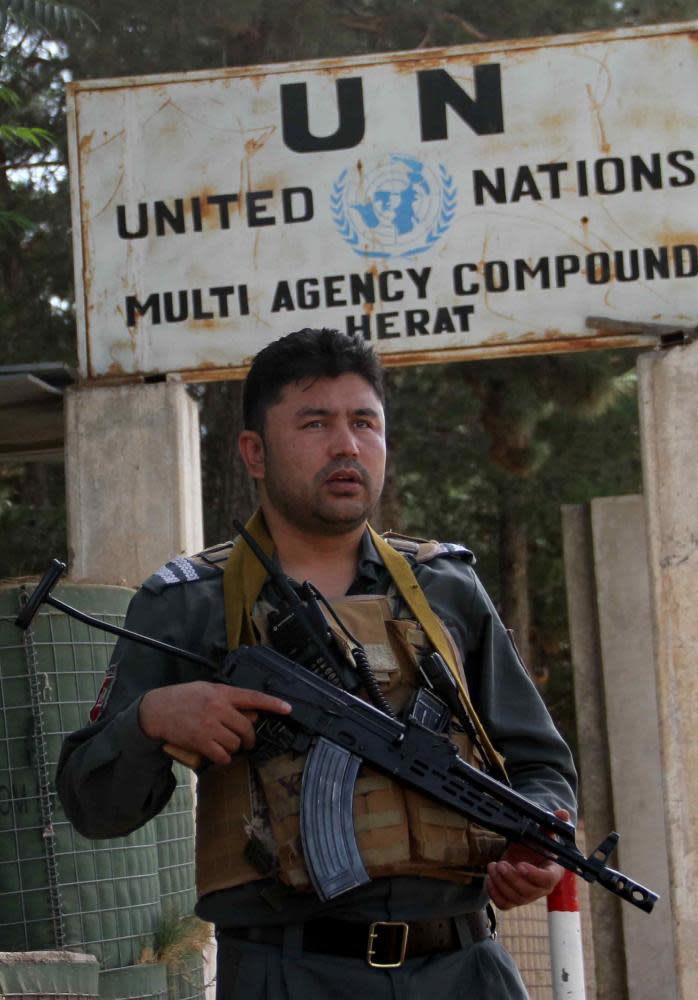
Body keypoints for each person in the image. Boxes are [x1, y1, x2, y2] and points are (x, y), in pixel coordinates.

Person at [57, 327, 577, 999]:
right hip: (289, 974)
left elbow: (539, 766)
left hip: (464, 968)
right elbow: (92, 806)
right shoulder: (187, 605)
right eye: (314, 423)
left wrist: (532, 844)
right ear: (253, 452)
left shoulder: (444, 588)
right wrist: (151, 720)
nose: (346, 445)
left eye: (365, 423)